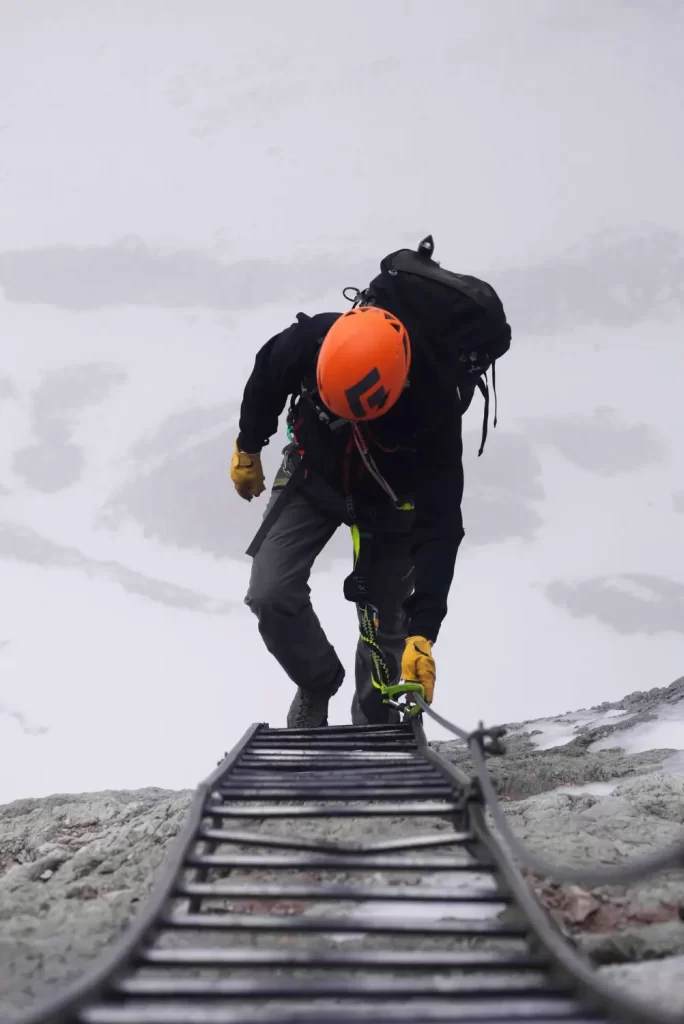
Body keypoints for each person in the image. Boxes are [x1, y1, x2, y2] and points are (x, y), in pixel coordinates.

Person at [230, 236, 511, 729]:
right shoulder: (318, 339)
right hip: (315, 471)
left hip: (390, 500)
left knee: (389, 633)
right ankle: (317, 681)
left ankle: (379, 730)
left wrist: (425, 631)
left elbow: (441, 528)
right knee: (270, 593)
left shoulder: (434, 412)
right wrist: (249, 445)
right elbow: (269, 369)